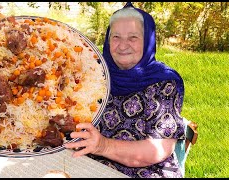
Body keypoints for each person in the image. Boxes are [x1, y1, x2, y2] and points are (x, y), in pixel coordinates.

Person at [64, 2, 186, 178]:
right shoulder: (97, 75)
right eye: (116, 37)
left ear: (148, 41)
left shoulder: (164, 82)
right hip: (92, 166)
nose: (122, 46)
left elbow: (159, 149)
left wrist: (103, 146)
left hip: (148, 172)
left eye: (133, 38)